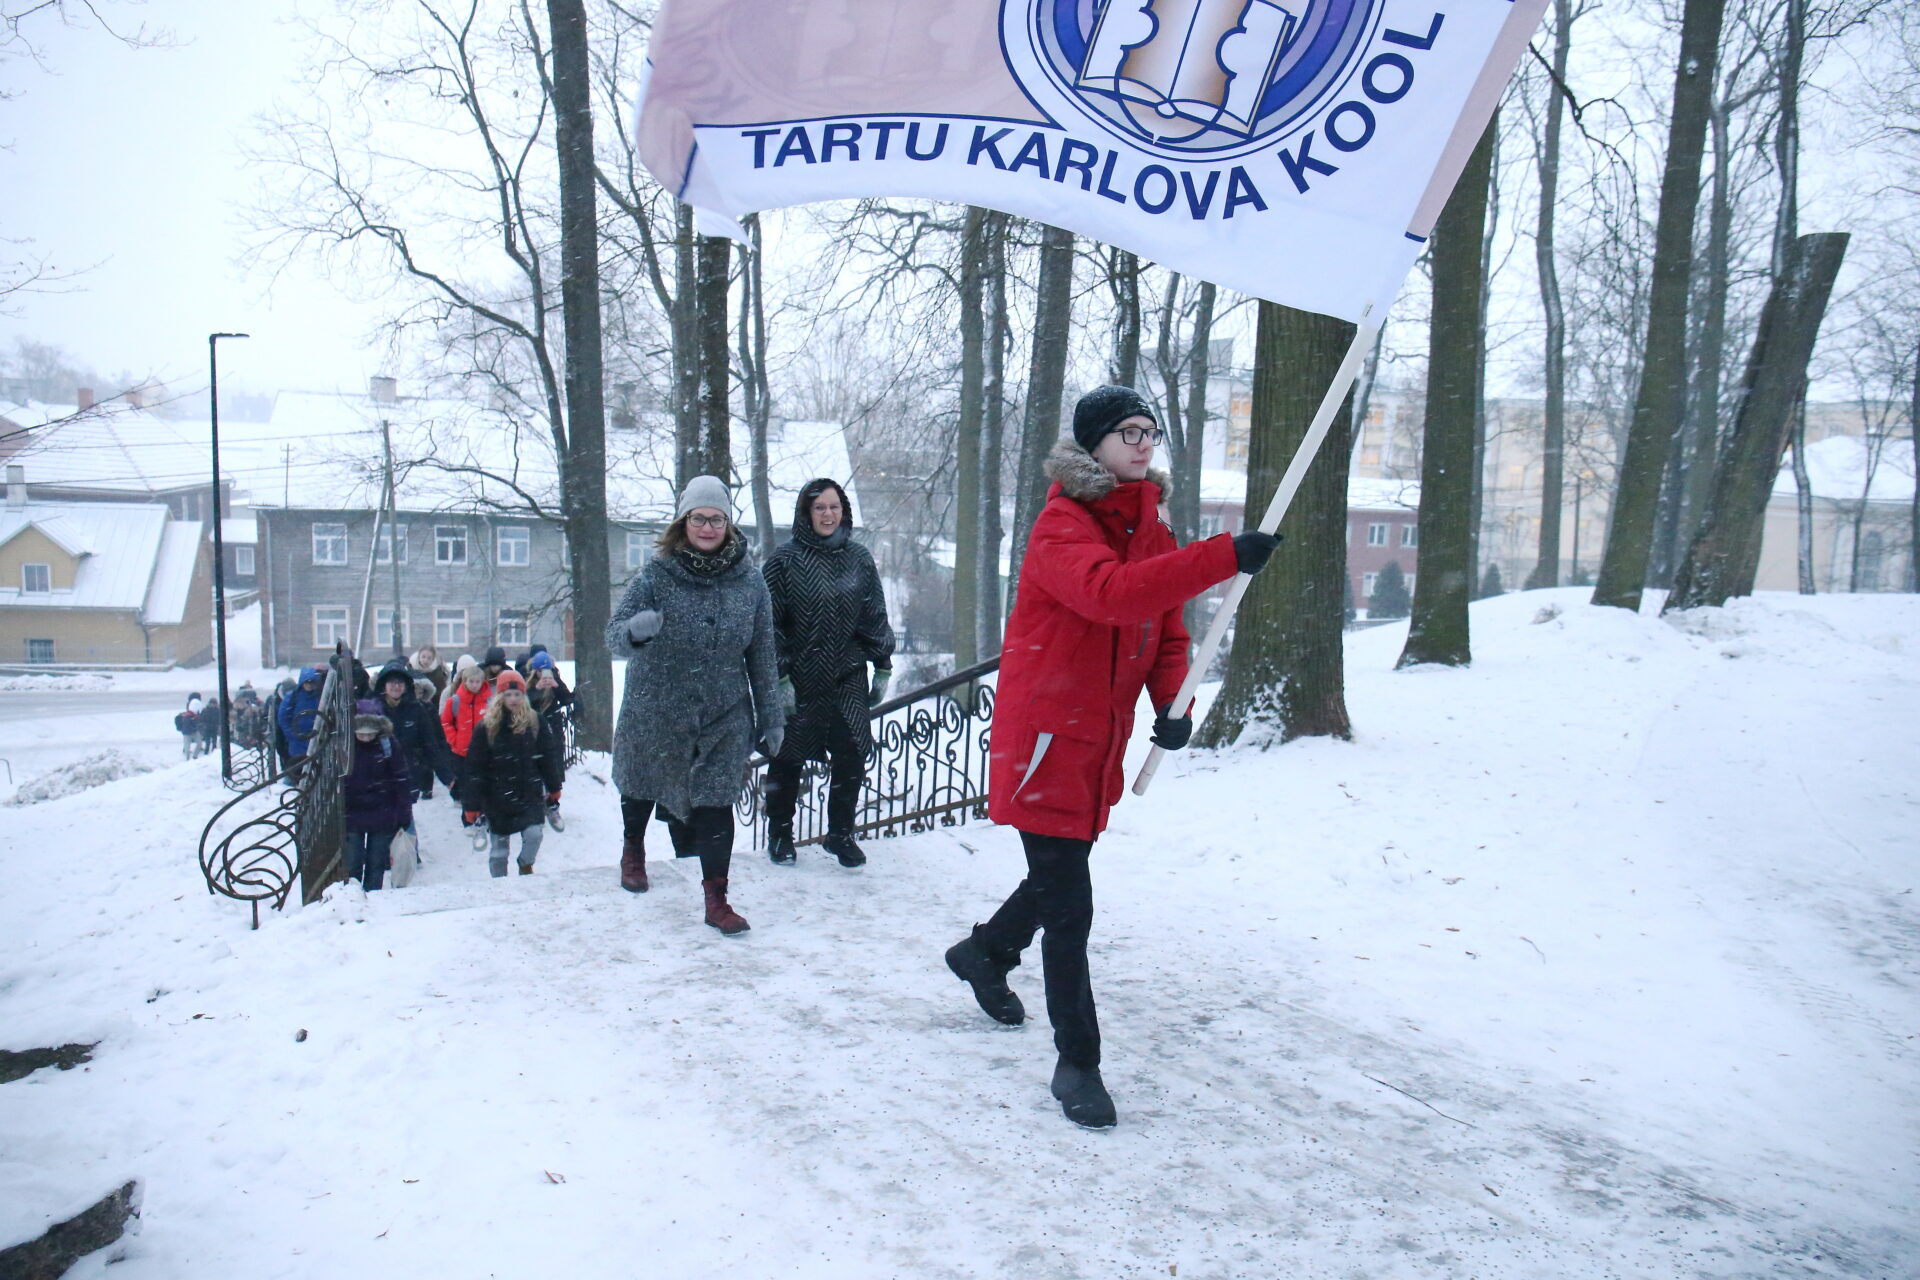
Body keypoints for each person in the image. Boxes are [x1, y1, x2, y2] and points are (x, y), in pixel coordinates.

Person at [942, 385, 1281, 1130]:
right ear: (1092, 444)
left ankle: (985, 953)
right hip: (1046, 743)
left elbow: (1166, 633)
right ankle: (1078, 1063)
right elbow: (1112, 596)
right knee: (1071, 907)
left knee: (1056, 880)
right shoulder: (1062, 526)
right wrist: (1222, 557)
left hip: (1099, 740)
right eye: (1127, 431)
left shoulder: (1151, 528)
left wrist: (1174, 704)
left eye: (1150, 431)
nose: (1141, 442)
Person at [606, 475, 783, 934]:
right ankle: (633, 848)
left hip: (723, 711)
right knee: (642, 781)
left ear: (728, 522)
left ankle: (717, 899)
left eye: (716, 518)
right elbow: (614, 635)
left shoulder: (751, 582)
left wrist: (771, 716)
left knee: (716, 799)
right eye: (698, 518)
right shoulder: (656, 575)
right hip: (657, 703)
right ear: (683, 522)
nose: (707, 526)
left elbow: (762, 652)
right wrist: (635, 632)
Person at [761, 477, 895, 868]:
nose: (828, 514)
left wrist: (882, 664)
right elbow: (769, 624)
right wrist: (780, 676)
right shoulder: (784, 562)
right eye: (819, 507)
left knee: (852, 751)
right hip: (799, 675)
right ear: (806, 513)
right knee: (787, 757)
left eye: (834, 507)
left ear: (844, 511)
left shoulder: (858, 558)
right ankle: (781, 835)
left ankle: (840, 835)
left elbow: (874, 613)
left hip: (847, 673)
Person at [461, 670, 563, 878]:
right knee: (499, 850)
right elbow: (474, 768)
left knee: (534, 834)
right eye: (508, 695)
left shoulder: (535, 722)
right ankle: (499, 885)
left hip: (529, 792)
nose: (513, 699)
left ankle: (526, 864)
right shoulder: (487, 727)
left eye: (517, 694)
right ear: (500, 697)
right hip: (497, 795)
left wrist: (554, 787)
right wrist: (471, 805)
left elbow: (548, 757)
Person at [343, 698, 414, 890]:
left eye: (370, 734)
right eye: (362, 734)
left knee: (376, 863)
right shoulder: (346, 746)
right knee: (353, 863)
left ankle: (372, 897)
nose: (366, 738)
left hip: (381, 812)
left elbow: (401, 778)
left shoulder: (387, 744)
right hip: (355, 812)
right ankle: (353, 897)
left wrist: (403, 813)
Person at [374, 659, 455, 804]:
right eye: (392, 682)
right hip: (378, 777)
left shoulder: (416, 709)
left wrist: (447, 777)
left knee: (403, 818)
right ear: (384, 685)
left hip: (408, 775)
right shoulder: (373, 710)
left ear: (406, 686)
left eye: (400, 682)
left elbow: (431, 745)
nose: (396, 686)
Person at [440, 655, 493, 842]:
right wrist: (454, 740)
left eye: (478, 681)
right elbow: (445, 721)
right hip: (461, 752)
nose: (475, 685)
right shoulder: (455, 701)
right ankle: (468, 819)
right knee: (466, 786)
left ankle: (484, 816)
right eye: (471, 681)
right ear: (465, 681)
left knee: (484, 784)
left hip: (484, 752)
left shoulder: (489, 701)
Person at [527, 652, 573, 829]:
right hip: (535, 732)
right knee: (537, 768)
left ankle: (553, 804)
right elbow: (526, 704)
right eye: (541, 671)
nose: (545, 674)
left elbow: (568, 700)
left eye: (548, 670)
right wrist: (537, 688)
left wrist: (556, 685)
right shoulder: (529, 684)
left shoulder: (556, 681)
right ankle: (538, 804)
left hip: (553, 730)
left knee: (554, 769)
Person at [277, 668, 326, 762]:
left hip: (316, 738)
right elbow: (283, 717)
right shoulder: (292, 697)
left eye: (312, 682)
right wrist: (292, 734)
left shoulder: (320, 697)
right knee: (299, 767)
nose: (310, 685)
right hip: (298, 740)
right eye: (307, 682)